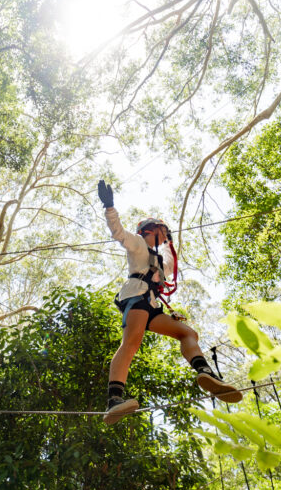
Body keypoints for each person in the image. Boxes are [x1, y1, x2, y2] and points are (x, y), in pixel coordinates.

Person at [97, 180, 241, 424]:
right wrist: (110, 207)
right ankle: (114, 400)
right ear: (150, 230)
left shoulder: (160, 259)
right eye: (161, 231)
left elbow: (169, 263)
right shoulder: (139, 244)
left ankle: (206, 373)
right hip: (136, 296)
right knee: (131, 343)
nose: (165, 235)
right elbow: (119, 233)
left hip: (152, 305)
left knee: (188, 333)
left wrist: (167, 243)